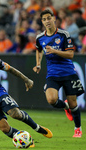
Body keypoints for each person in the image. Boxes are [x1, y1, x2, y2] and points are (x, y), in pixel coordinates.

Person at [33, 9, 85, 138]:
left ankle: (77, 128)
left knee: (74, 103)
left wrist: (55, 51)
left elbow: (71, 54)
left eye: (48, 18)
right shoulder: (40, 37)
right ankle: (65, 105)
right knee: (51, 99)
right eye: (44, 19)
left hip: (68, 72)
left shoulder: (63, 34)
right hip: (53, 74)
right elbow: (39, 50)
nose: (47, 21)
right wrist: (38, 64)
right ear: (42, 22)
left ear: (54, 19)